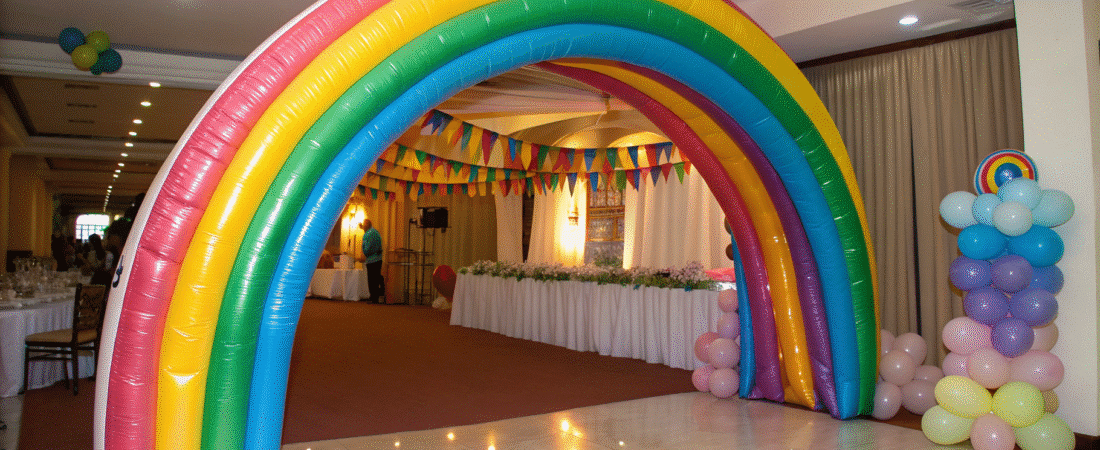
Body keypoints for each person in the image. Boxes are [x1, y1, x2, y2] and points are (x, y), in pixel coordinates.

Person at [357, 218, 385, 303]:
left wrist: (364, 255)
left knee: (372, 280)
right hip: (377, 259)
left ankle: (374, 298)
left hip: (372, 260)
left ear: (368, 225)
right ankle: (375, 296)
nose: (363, 227)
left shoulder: (369, 234)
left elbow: (368, 248)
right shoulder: (374, 232)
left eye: (364, 225)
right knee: (375, 278)